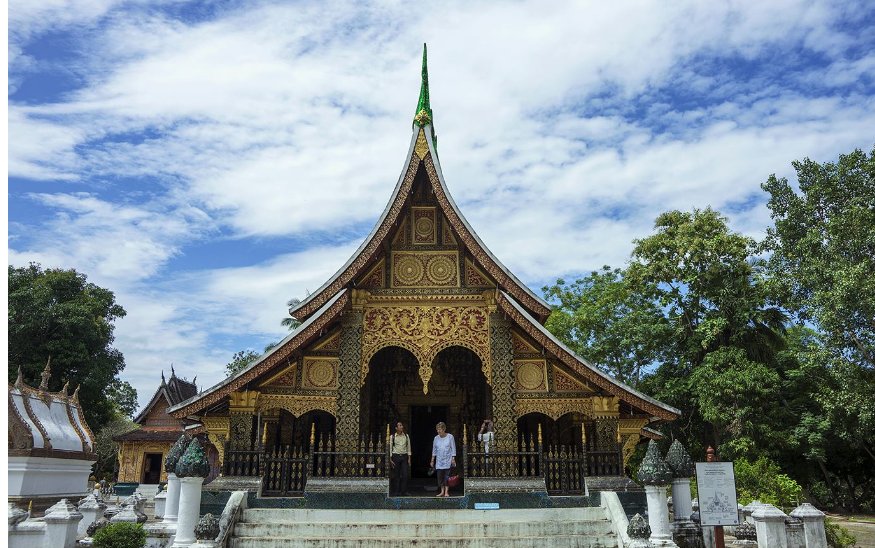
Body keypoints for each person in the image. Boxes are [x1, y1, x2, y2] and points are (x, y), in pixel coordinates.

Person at [430, 421, 456, 497]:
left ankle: (446, 492)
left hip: (448, 459)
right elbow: (434, 450)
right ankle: (442, 491)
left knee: (447, 476)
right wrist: (432, 460)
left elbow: (453, 448)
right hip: (439, 460)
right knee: (440, 476)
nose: (438, 431)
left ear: (444, 429)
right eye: (437, 429)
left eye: (440, 429)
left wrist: (453, 458)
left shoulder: (450, 437)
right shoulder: (436, 438)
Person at [389, 421, 412, 496]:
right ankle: (396, 491)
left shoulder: (406, 436)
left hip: (404, 456)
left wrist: (409, 458)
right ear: (396, 428)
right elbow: (390, 448)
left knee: (405, 474)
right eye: (400, 425)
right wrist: (390, 459)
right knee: (396, 475)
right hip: (396, 456)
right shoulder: (392, 437)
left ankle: (404, 491)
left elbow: (408, 447)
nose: (401, 427)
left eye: (402, 425)